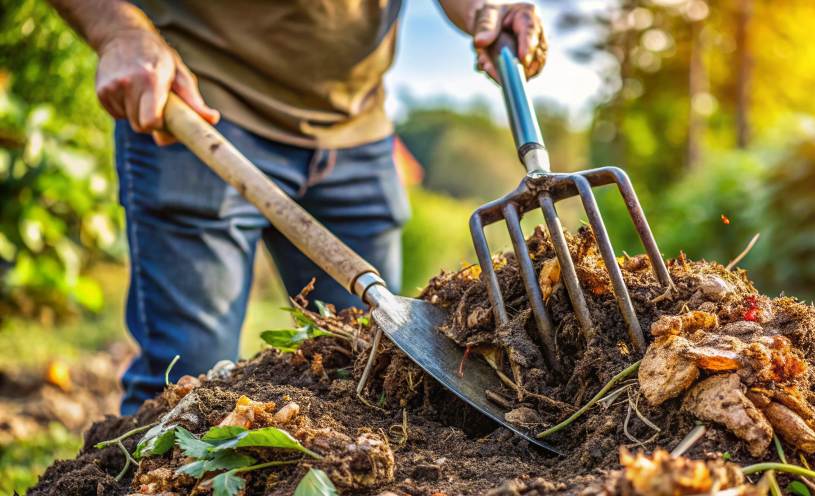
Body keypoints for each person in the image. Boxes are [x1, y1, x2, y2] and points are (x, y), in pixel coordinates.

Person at [45, 0, 549, 414]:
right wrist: (117, 30)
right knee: (182, 388)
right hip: (199, 115)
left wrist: (485, 8)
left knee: (374, 381)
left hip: (357, 131)